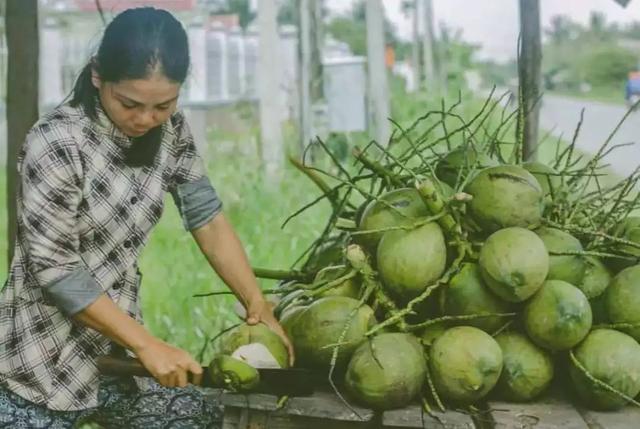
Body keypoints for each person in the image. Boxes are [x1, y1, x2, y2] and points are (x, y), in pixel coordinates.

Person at [0, 7, 293, 429]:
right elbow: (57, 270)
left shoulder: (171, 130)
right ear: (98, 75)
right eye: (130, 103)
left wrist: (256, 303)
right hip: (39, 362)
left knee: (216, 418)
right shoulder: (56, 142)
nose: (145, 119)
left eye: (163, 105)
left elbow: (205, 215)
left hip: (117, 361)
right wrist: (148, 346)